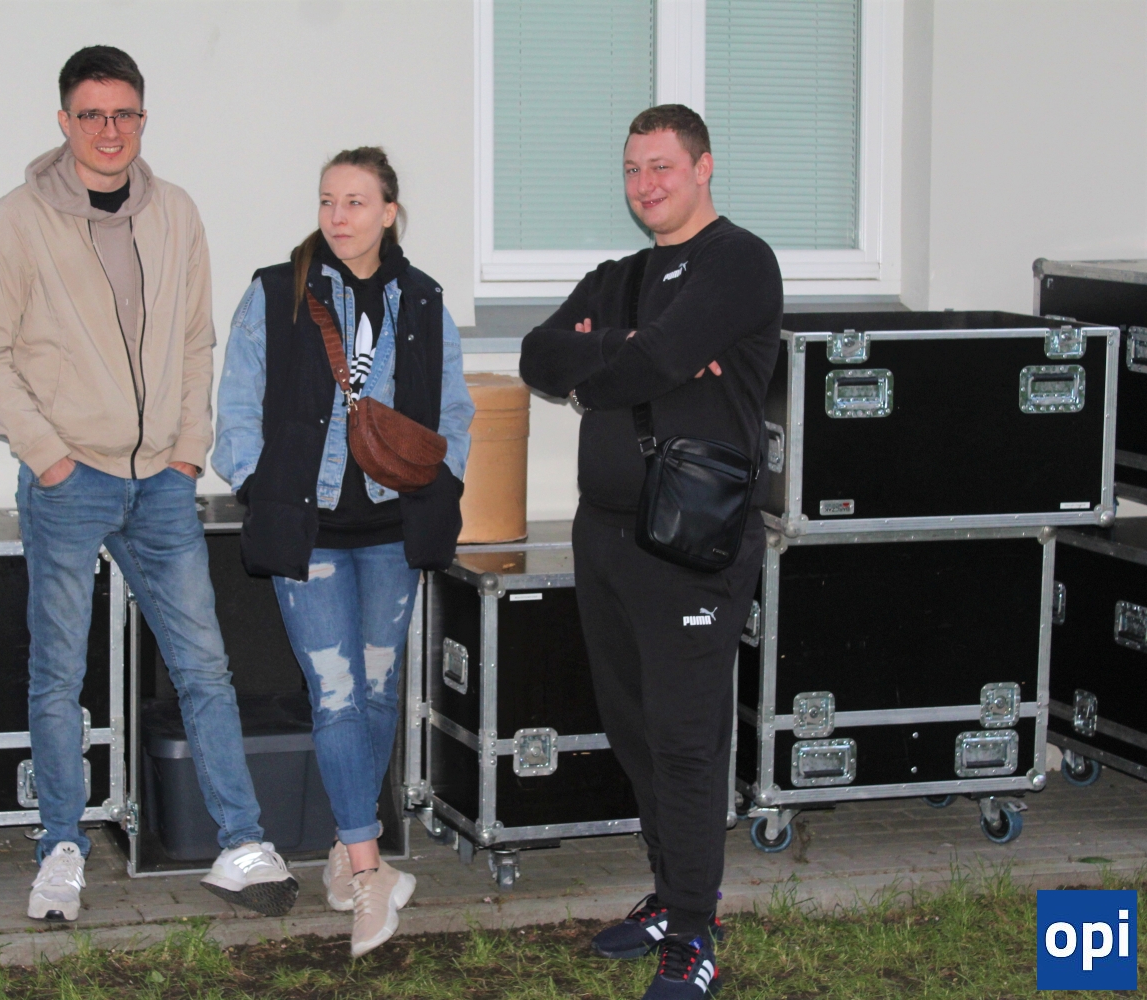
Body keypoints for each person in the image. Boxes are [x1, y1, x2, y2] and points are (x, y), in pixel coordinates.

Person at [0, 45, 298, 923]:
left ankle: (241, 845)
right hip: (69, 481)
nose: (109, 131)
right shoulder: (17, 220)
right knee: (58, 674)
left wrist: (188, 451)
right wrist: (49, 455)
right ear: (65, 122)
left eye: (124, 114)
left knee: (205, 666)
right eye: (92, 115)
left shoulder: (175, 212)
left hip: (161, 486)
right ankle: (60, 848)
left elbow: (193, 341)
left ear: (143, 120)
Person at [519, 105, 782, 999]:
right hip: (605, 534)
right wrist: (630, 349)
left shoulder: (739, 262)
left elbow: (651, 364)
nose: (645, 185)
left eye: (662, 167)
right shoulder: (620, 276)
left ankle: (695, 932)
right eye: (633, 169)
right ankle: (672, 897)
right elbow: (538, 357)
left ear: (704, 167)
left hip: (692, 540)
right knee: (635, 731)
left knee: (685, 741)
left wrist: (613, 357)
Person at [213, 147, 473, 956]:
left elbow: (455, 411)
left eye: (356, 201)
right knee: (334, 696)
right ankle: (369, 871)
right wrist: (261, 485)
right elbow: (236, 406)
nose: (338, 215)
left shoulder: (423, 299)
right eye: (328, 199)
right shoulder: (276, 291)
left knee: (377, 694)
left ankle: (343, 844)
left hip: (395, 531)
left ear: (389, 212)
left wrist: (444, 480)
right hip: (311, 532)